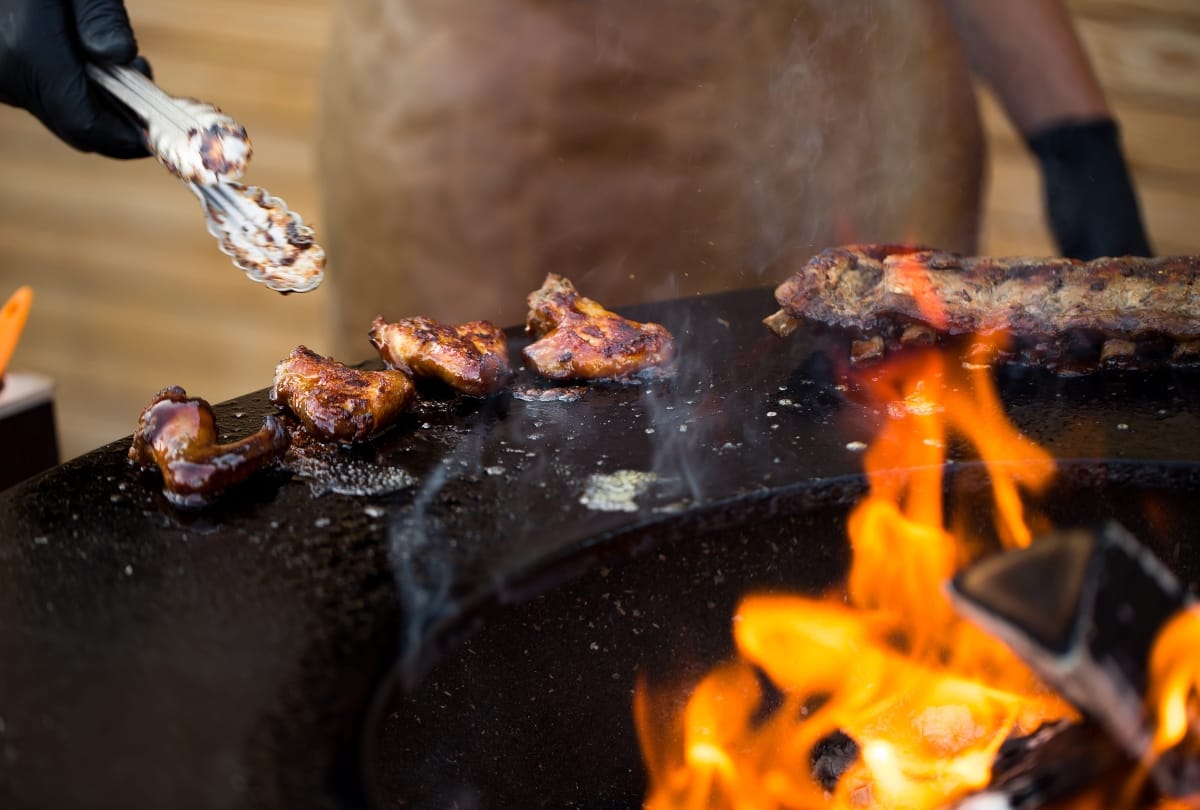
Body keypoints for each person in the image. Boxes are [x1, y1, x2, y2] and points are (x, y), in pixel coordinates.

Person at [1, 0, 1152, 356]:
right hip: (482, 130)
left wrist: (1072, 133)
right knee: (500, 519)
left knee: (858, 485)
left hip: (839, 81)